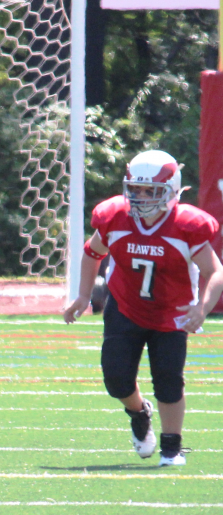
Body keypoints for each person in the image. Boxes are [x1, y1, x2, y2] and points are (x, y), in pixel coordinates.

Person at [64, 149, 223, 466]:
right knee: (116, 380)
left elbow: (215, 271)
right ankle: (139, 413)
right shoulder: (115, 218)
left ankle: (171, 446)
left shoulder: (186, 225)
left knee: (168, 380)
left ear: (172, 191)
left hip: (172, 312)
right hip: (125, 307)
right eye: (134, 189)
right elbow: (91, 252)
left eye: (150, 190)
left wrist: (202, 308)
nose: (140, 197)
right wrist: (83, 295)